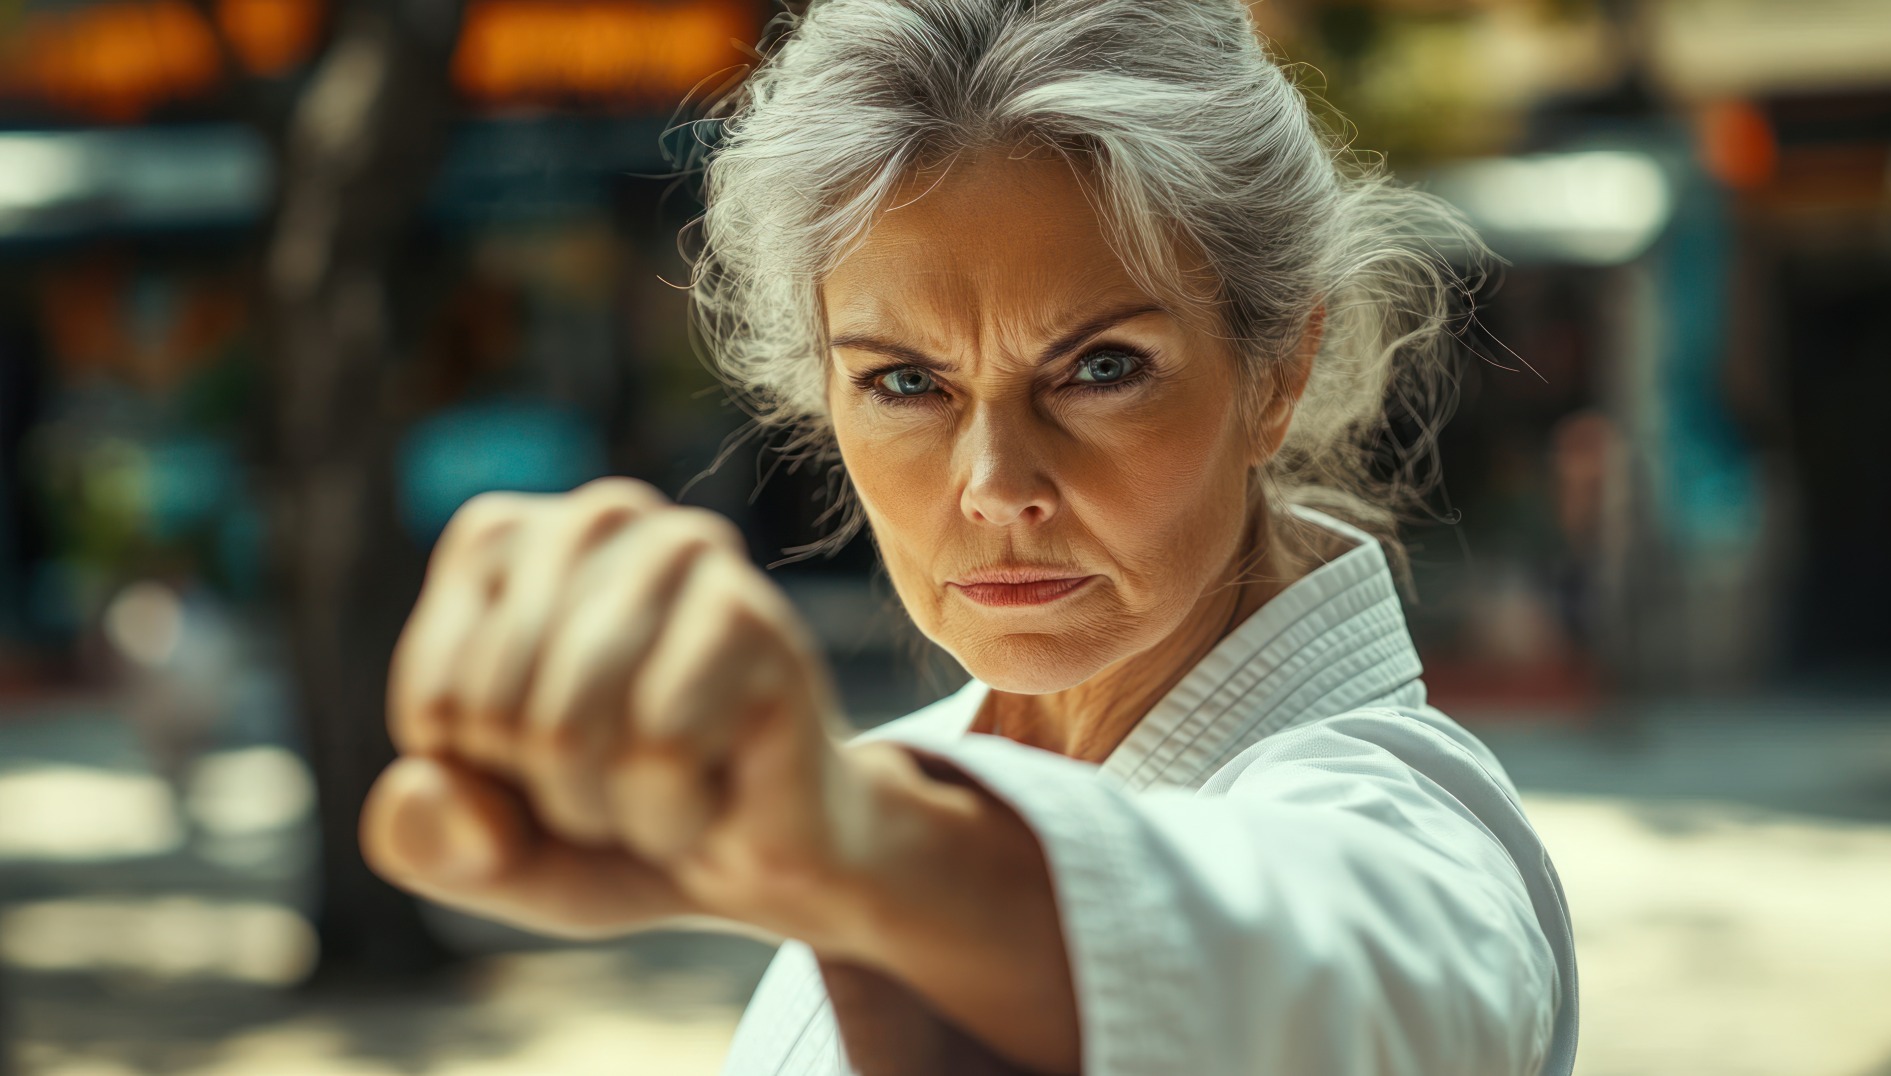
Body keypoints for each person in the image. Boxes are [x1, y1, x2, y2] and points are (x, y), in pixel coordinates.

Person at [359, 1, 1579, 1073]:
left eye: (1102, 367)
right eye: (903, 383)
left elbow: (1364, 981)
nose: (997, 484)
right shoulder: (917, 776)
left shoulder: (1405, 822)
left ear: (1277, 369)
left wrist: (841, 840)